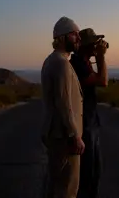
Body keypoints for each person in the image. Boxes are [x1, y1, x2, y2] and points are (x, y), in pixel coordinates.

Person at [41, 16, 85, 198]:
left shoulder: (53, 61)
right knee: (66, 189)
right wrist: (74, 135)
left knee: (57, 186)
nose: (79, 39)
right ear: (62, 37)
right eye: (75, 35)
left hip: (58, 135)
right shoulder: (61, 64)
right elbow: (64, 102)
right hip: (64, 137)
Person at [69, 28, 108, 198]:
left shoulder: (83, 63)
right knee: (88, 174)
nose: (96, 45)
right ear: (85, 46)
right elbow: (103, 81)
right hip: (85, 126)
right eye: (94, 42)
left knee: (94, 172)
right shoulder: (77, 63)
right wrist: (101, 56)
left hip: (90, 122)